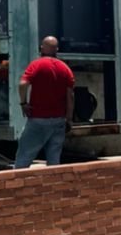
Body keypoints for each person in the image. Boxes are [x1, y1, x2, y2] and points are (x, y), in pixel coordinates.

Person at [14, 35, 75, 169]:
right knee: (54, 161)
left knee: (24, 159)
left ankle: (17, 181)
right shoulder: (65, 68)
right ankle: (54, 182)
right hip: (58, 120)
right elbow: (70, 96)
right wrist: (69, 119)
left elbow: (23, 84)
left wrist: (23, 103)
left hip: (38, 119)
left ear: (41, 48)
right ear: (57, 50)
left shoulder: (37, 64)